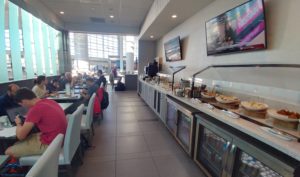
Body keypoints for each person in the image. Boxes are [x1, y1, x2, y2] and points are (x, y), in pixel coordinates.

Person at [5, 88, 67, 158]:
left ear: (24, 101)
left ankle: (27, 167)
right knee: (17, 143)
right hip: (60, 139)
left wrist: (18, 123)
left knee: (8, 151)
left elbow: (20, 136)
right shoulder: (49, 101)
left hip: (52, 144)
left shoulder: (35, 109)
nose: (23, 107)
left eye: (21, 104)